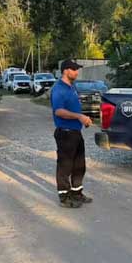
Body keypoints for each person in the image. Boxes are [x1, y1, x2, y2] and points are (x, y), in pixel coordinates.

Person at [50, 59, 94, 208]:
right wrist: (79, 117)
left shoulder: (72, 87)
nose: (76, 72)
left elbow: (74, 108)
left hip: (76, 132)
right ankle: (64, 197)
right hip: (65, 134)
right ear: (65, 71)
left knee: (79, 165)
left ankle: (77, 193)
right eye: (74, 69)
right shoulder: (59, 89)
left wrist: (83, 119)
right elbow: (59, 111)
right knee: (65, 166)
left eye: (77, 69)